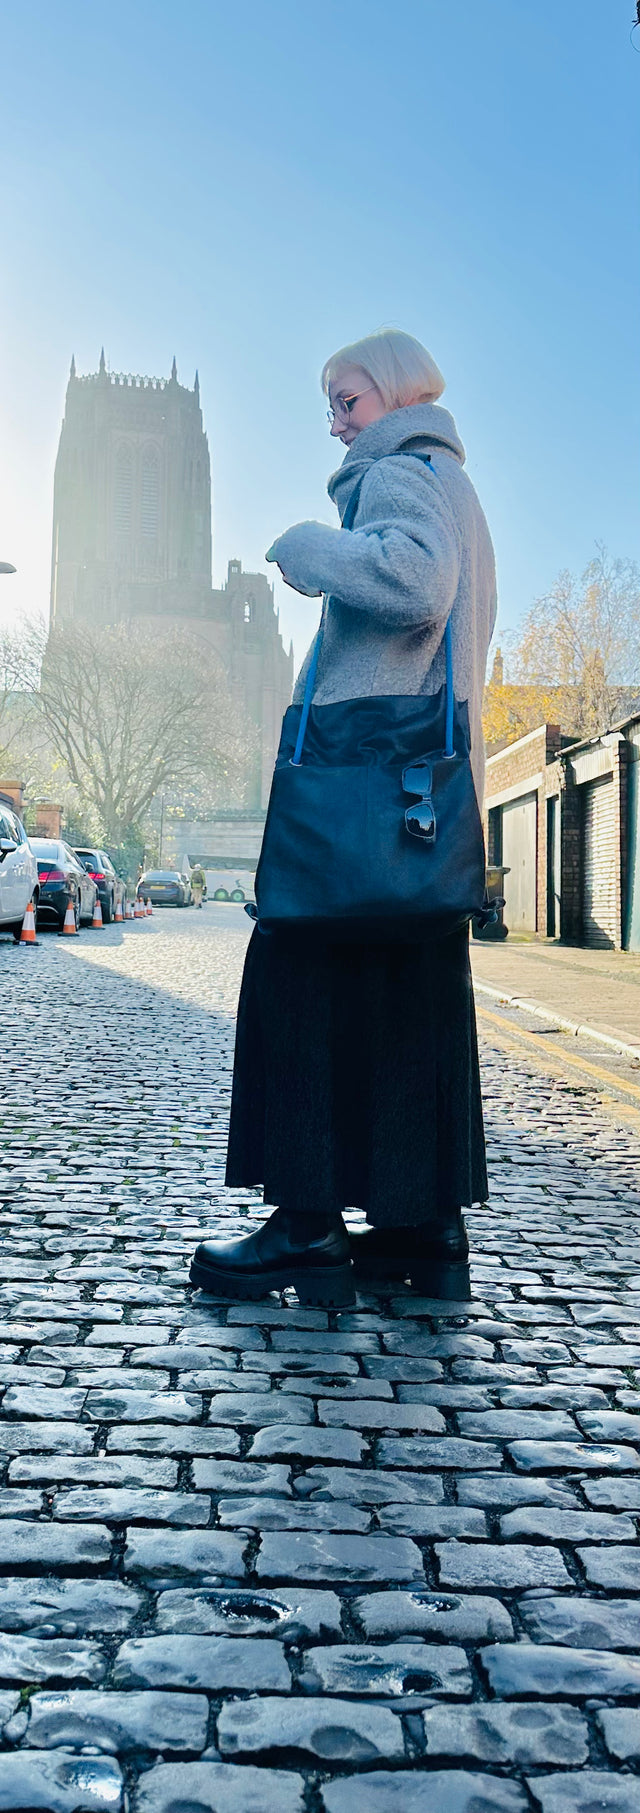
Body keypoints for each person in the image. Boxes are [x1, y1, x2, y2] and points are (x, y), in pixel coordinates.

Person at [190, 328, 497, 1308]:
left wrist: (309, 547)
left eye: (347, 398)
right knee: (408, 997)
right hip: (419, 800)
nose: (335, 420)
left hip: (357, 782)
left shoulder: (396, 472)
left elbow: (415, 584)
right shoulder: (452, 479)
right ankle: (417, 1225)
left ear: (395, 396)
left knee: (300, 975)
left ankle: (306, 1224)